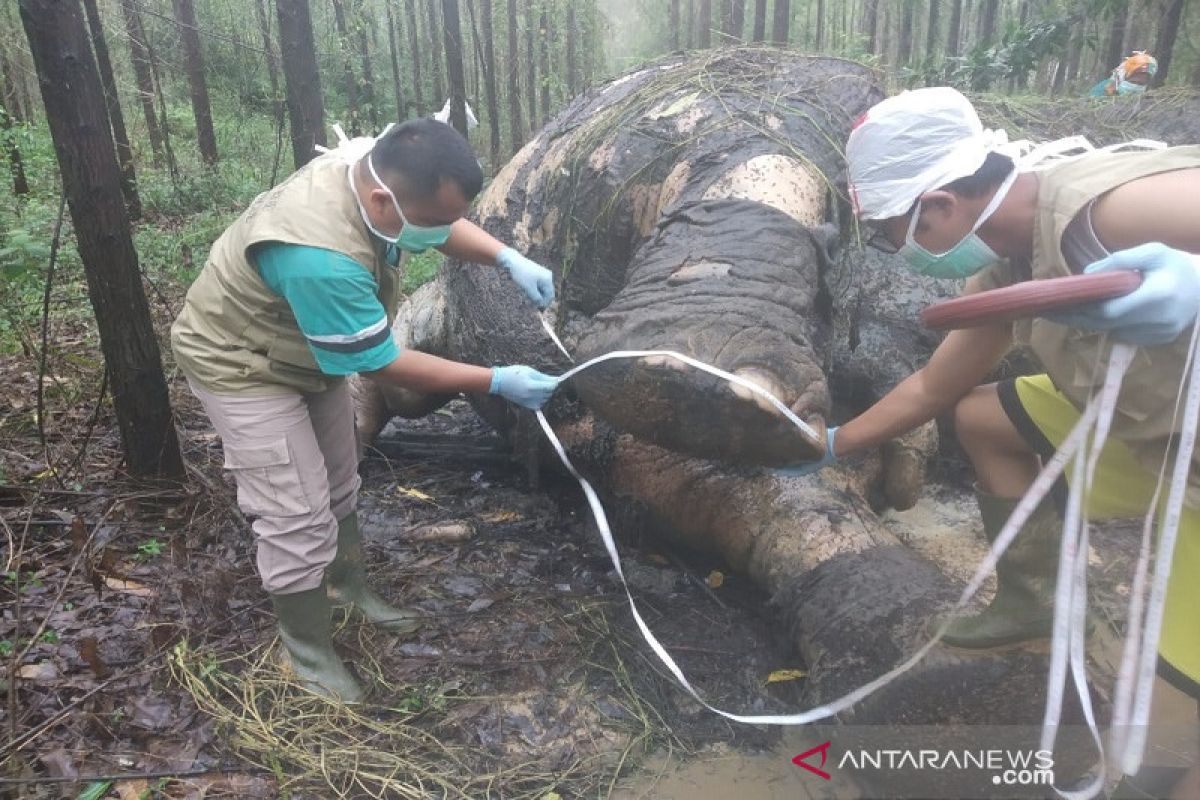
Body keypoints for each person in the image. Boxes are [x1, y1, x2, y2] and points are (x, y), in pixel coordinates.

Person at [781, 87, 1199, 796]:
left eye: (893, 233)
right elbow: (931, 391)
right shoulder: (1012, 262)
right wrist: (826, 445)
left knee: (1165, 723)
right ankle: (1031, 598)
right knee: (982, 416)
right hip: (1154, 428)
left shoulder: (1100, 214)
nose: (898, 251)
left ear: (938, 206)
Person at [170, 119, 560, 702]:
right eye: (431, 221)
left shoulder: (369, 168)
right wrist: (496, 380)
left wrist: (505, 257)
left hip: (306, 350)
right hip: (241, 362)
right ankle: (306, 653)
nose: (440, 233)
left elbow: (434, 221)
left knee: (338, 476)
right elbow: (382, 361)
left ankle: (350, 591)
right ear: (383, 199)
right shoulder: (318, 256)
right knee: (292, 512)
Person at [1089, 51, 1157, 97]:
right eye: (1133, 81)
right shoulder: (1101, 89)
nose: (1136, 86)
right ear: (1122, 76)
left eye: (1141, 84)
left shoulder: (1147, 99)